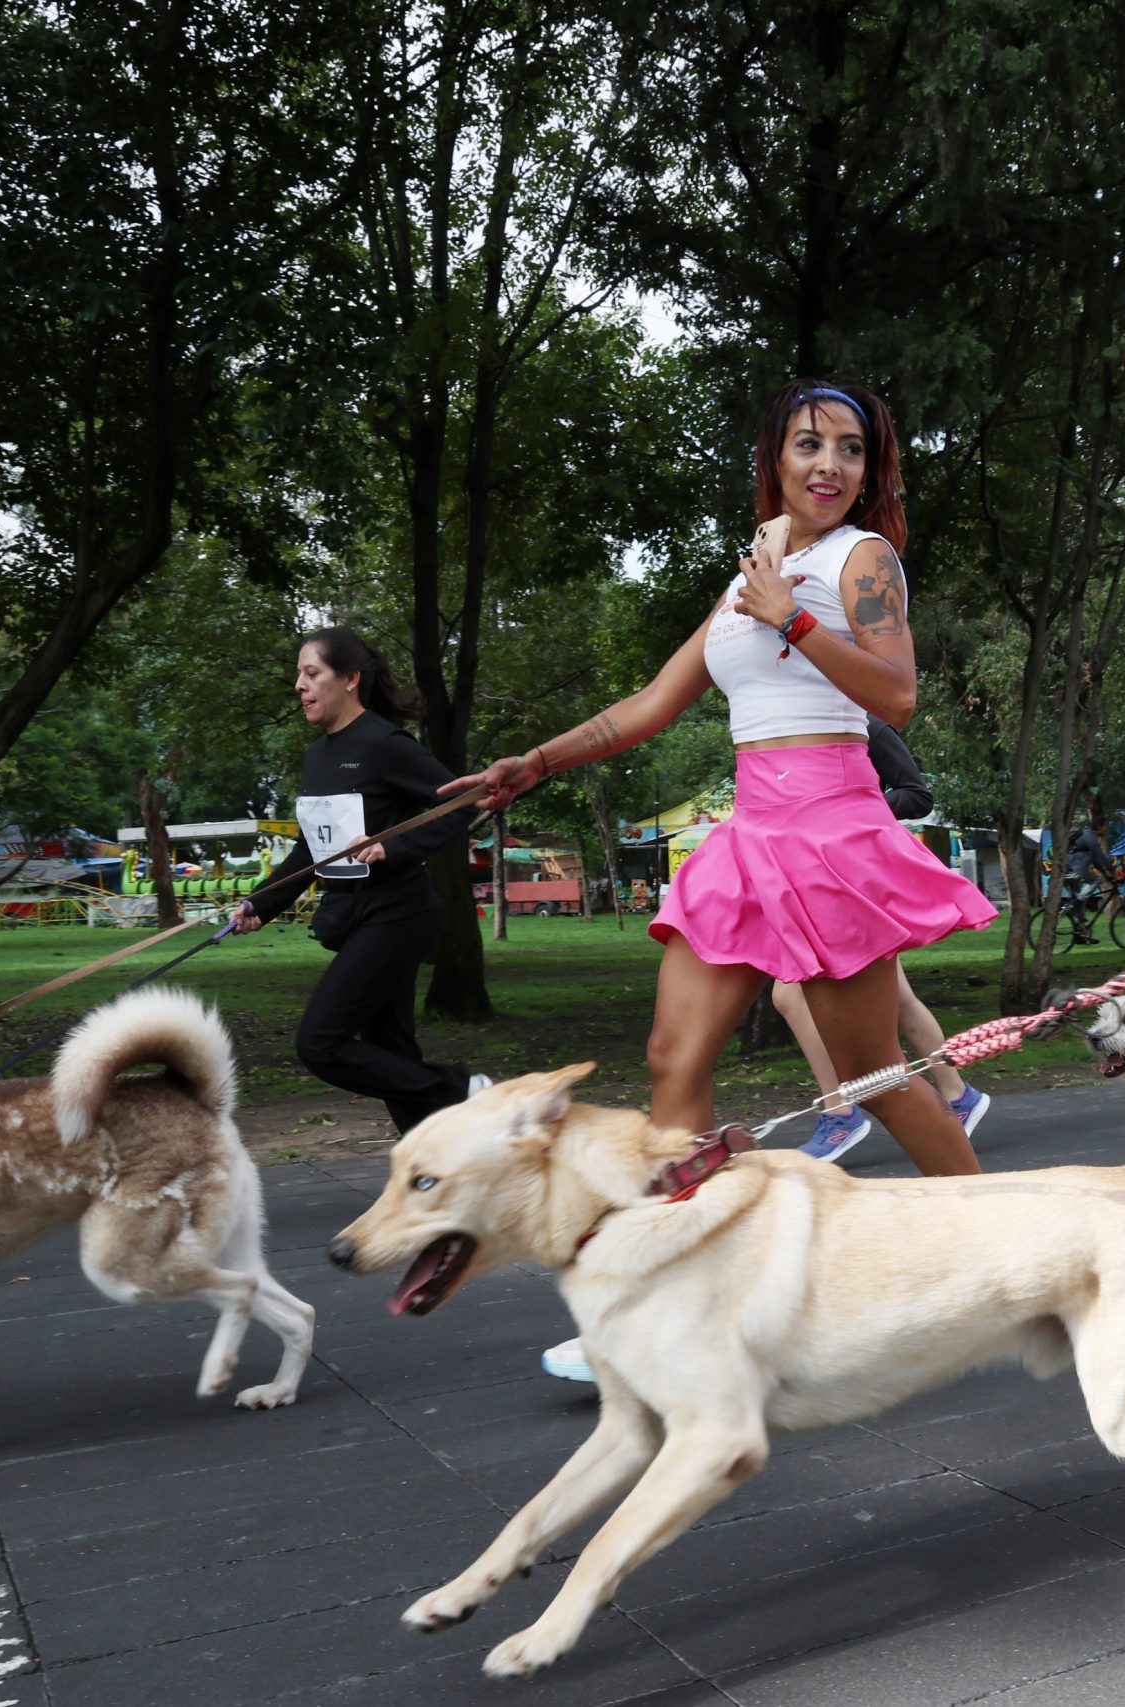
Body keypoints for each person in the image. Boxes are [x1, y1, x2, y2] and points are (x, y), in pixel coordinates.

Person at [453, 378, 998, 1382]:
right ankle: (674, 1301)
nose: (828, 466)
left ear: (868, 470)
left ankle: (1004, 1256)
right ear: (774, 457)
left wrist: (791, 619)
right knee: (672, 1060)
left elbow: (899, 695)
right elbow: (653, 704)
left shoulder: (859, 561)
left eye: (849, 450)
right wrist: (536, 761)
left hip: (833, 832)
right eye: (807, 445)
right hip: (748, 839)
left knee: (876, 1078)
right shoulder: (753, 567)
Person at [229, 628, 485, 1134]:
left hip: (398, 915)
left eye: (312, 673)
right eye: (298, 676)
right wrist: (262, 903)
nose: (300, 686)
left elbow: (462, 804)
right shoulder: (317, 756)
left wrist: (395, 846)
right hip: (355, 916)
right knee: (392, 1057)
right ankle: (437, 1175)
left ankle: (464, 1092)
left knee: (320, 1043)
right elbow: (311, 848)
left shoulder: (386, 744)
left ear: (350, 680)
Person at [773, 715, 992, 1161]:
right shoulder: (789, 729)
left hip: (857, 873)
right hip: (809, 873)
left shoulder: (865, 724)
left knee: (791, 994)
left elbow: (916, 795)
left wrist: (850, 810)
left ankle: (841, 1112)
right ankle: (957, 1094)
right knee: (894, 999)